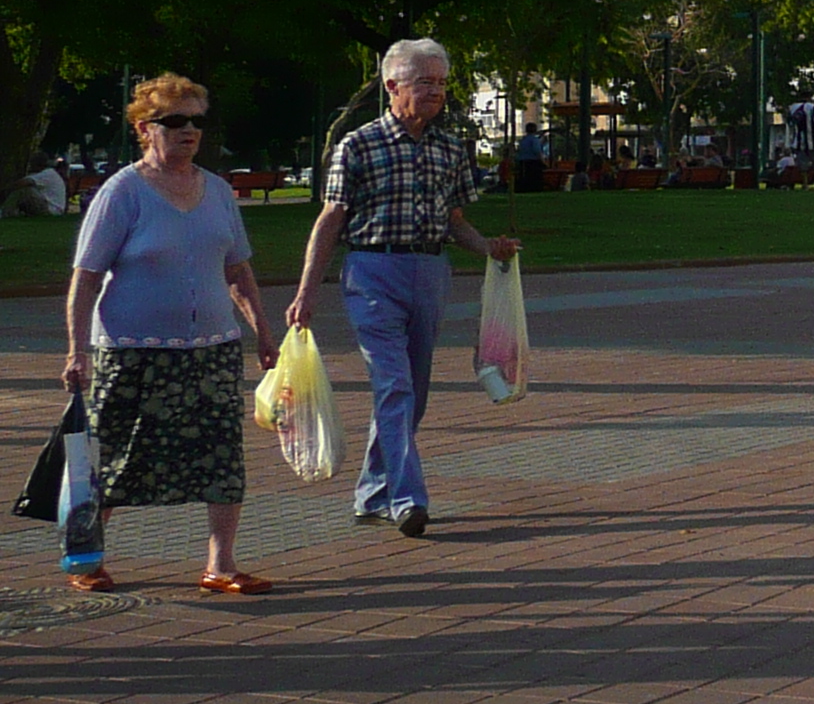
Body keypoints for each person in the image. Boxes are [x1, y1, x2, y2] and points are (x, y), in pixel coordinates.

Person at [287, 38, 519, 539]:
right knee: (393, 385)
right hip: (373, 273)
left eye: (440, 83)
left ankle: (372, 493)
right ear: (393, 86)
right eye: (423, 83)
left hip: (429, 273)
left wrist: (488, 247)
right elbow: (331, 220)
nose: (434, 92)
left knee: (411, 395)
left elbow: (454, 221)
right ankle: (407, 498)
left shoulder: (450, 147)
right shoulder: (359, 145)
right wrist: (306, 291)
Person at [59, 75, 280, 595]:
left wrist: (265, 334)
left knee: (222, 455)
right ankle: (87, 557)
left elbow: (238, 272)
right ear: (144, 128)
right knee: (114, 456)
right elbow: (86, 277)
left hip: (212, 350)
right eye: (175, 121)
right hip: (134, 352)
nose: (189, 131)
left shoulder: (218, 191)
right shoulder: (122, 193)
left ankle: (220, 564)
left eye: (197, 121)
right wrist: (76, 350)